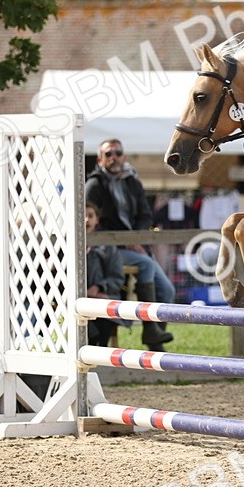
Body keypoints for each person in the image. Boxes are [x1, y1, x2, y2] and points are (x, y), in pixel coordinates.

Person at [84, 139, 174, 351]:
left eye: (118, 153)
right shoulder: (93, 185)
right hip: (106, 249)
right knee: (146, 265)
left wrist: (137, 239)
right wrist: (127, 242)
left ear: (124, 156)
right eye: (108, 154)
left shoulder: (133, 183)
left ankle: (154, 338)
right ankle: (151, 331)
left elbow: (145, 216)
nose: (113, 157)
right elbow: (91, 224)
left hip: (136, 245)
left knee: (168, 291)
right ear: (100, 159)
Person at [84, 201, 130, 346]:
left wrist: (99, 287)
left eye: (90, 216)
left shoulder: (108, 246)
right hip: (78, 302)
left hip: (103, 298)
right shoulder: (64, 244)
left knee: (104, 321)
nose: (86, 220)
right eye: (82, 216)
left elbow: (117, 277)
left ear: (97, 219)